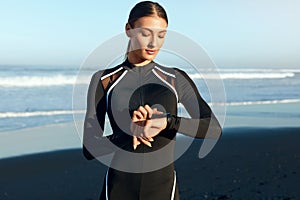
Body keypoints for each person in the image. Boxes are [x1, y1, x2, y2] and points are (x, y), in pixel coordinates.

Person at [83, 1, 222, 199]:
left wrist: (167, 121)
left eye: (161, 35)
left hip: (163, 191)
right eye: (146, 34)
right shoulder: (104, 80)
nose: (154, 44)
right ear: (129, 30)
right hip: (117, 191)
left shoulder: (176, 79)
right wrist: (128, 130)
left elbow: (213, 128)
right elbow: (89, 148)